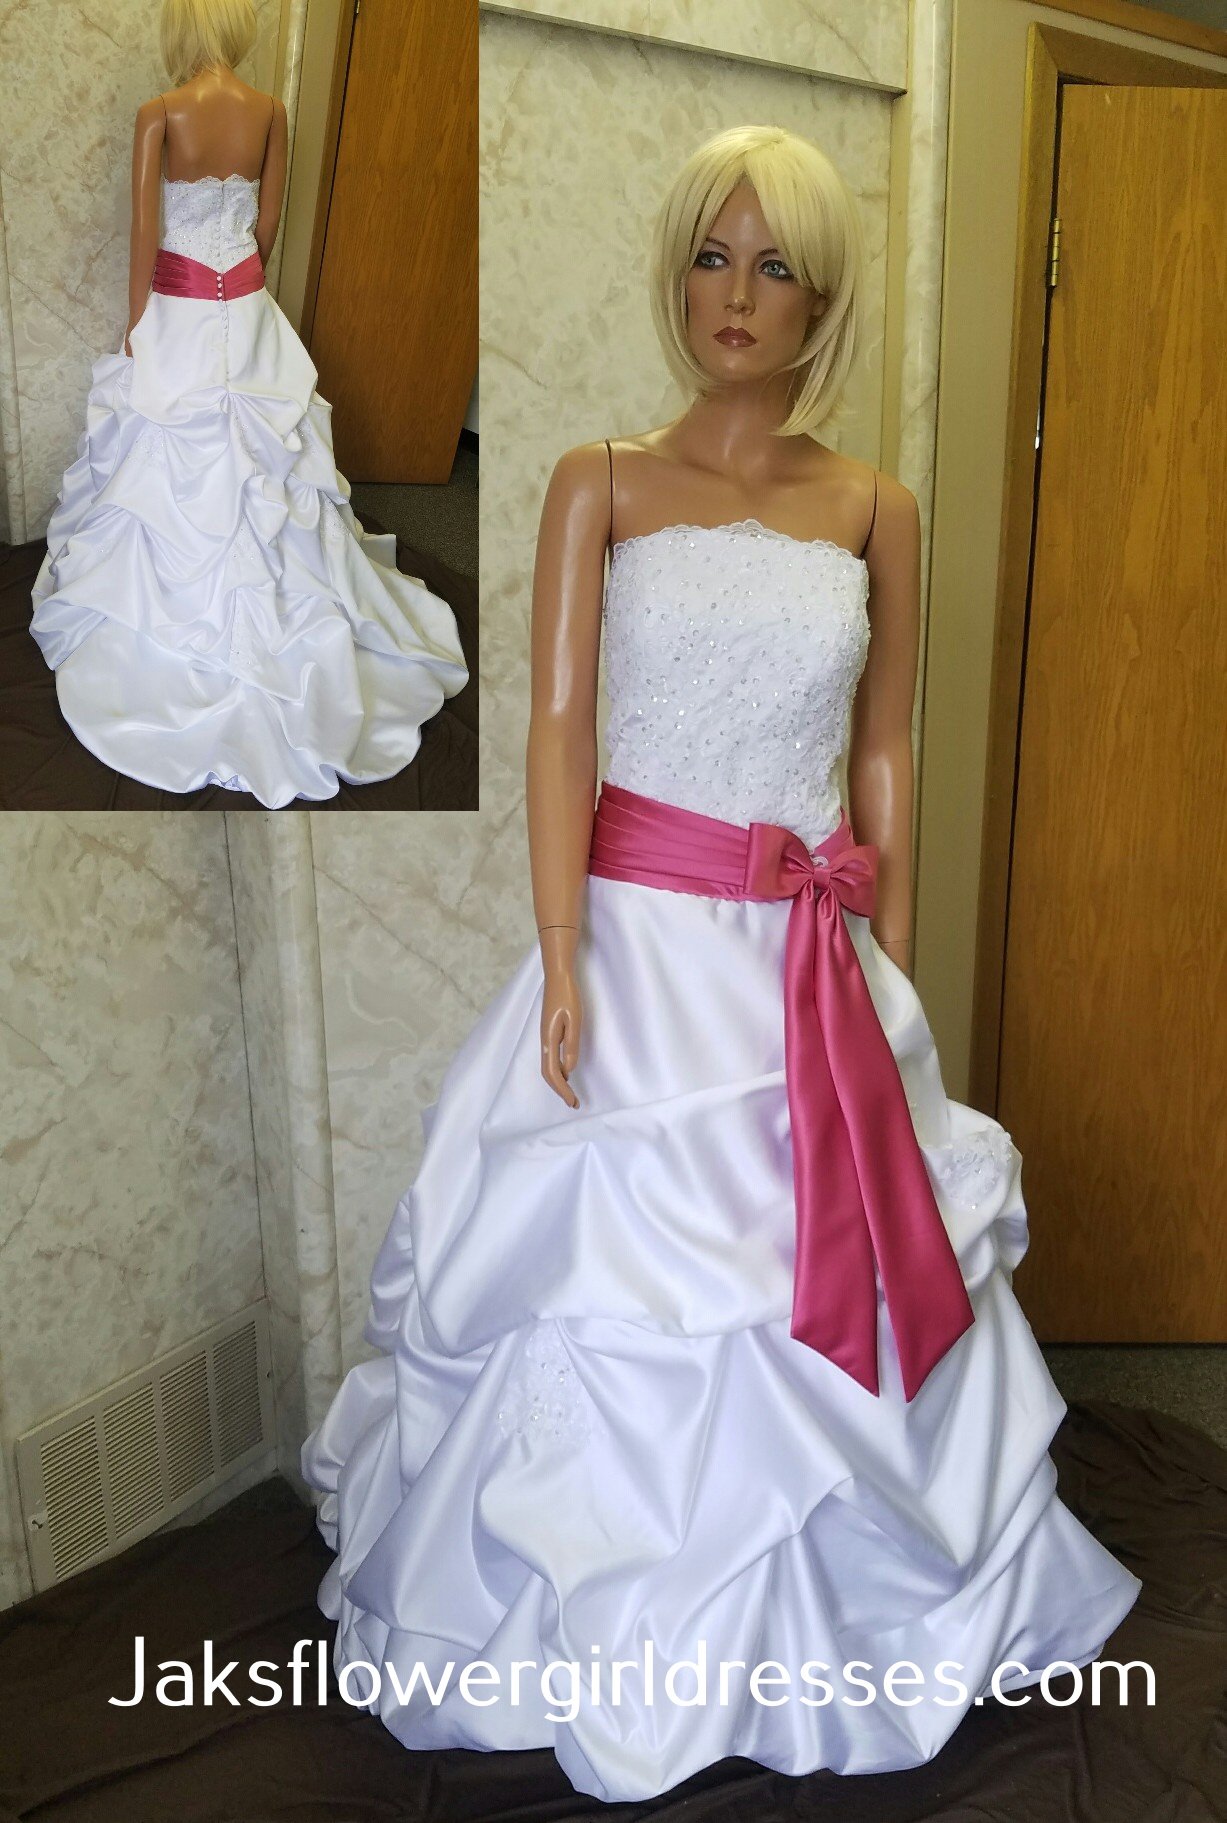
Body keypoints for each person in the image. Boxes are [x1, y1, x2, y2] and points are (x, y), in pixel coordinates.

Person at [300, 125, 1139, 1801]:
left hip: (810, 964)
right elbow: (557, 730)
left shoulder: (875, 507)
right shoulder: (599, 479)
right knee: (620, 1297)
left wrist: (892, 975)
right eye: (707, 253)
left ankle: (852, 1617)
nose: (732, 294)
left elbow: (882, 748)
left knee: (842, 1282)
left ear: (820, 297)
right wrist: (558, 951)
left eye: (771, 265)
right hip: (636, 952)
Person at [30, 0, 467, 807]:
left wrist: (139, 330)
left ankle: (171, 632)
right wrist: (235, 285)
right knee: (277, 461)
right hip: (246, 304)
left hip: (179, 307)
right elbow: (267, 223)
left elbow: (146, 236)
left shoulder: (160, 112)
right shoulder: (270, 111)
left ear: (180, 27)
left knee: (162, 456)